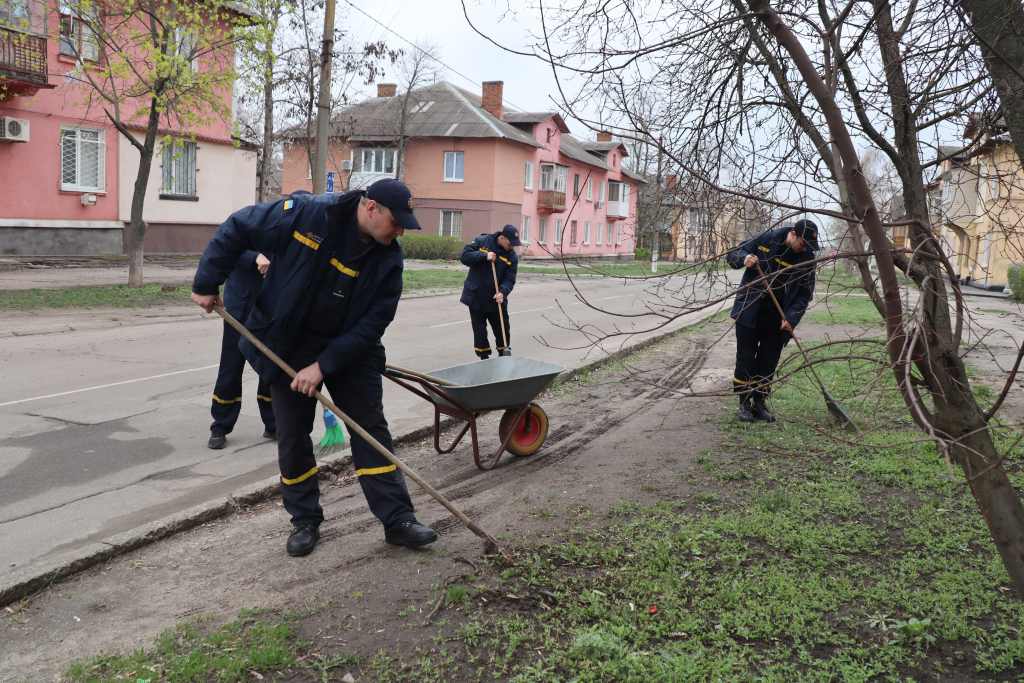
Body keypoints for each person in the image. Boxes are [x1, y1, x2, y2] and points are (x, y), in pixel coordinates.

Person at [190, 179, 438, 557]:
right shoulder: (309, 214)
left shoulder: (389, 257)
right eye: (396, 221)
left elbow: (374, 322)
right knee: (292, 436)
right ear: (370, 208)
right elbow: (238, 225)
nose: (401, 230)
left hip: (350, 351)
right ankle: (304, 521)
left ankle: (398, 520)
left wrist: (323, 366)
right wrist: (207, 281)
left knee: (370, 430)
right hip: (287, 344)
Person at [726, 218, 819, 423]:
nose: (805, 250)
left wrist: (792, 318)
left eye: (809, 247)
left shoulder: (807, 258)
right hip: (749, 311)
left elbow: (805, 294)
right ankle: (744, 403)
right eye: (803, 244)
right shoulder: (765, 238)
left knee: (768, 362)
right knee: (746, 359)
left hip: (778, 319)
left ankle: (759, 404)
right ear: (793, 234)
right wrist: (744, 258)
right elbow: (733, 254)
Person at [207, 250, 277, 450]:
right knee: (231, 368)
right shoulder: (244, 219)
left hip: (271, 307)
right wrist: (255, 256)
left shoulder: (288, 220)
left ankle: (273, 423)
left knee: (270, 367)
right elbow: (230, 247)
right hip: (240, 306)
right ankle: (220, 426)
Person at [459, 224, 520, 359]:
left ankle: (503, 358)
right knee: (480, 332)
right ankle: (484, 360)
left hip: (496, 300)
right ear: (502, 238)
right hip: (476, 297)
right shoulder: (482, 242)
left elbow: (510, 280)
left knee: (502, 331)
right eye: (511, 243)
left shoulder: (512, 256)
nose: (512, 247)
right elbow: (464, 257)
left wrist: (502, 293)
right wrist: (483, 256)